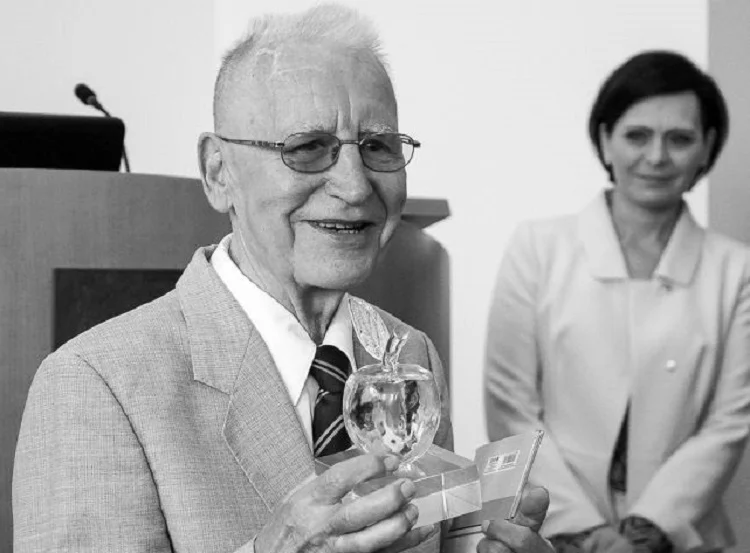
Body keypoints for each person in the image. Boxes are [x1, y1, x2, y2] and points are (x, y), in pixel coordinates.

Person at [13, 5, 553, 553]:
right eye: (308, 147)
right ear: (218, 172)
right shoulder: (96, 385)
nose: (355, 185)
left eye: (378, 146)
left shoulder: (410, 354)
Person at [484, 50, 750, 553]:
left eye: (679, 139)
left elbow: (730, 422)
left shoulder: (737, 270)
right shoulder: (537, 248)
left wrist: (647, 529)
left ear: (707, 147)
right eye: (637, 135)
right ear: (606, 139)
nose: (657, 156)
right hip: (553, 532)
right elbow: (510, 407)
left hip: (680, 538)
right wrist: (588, 532)